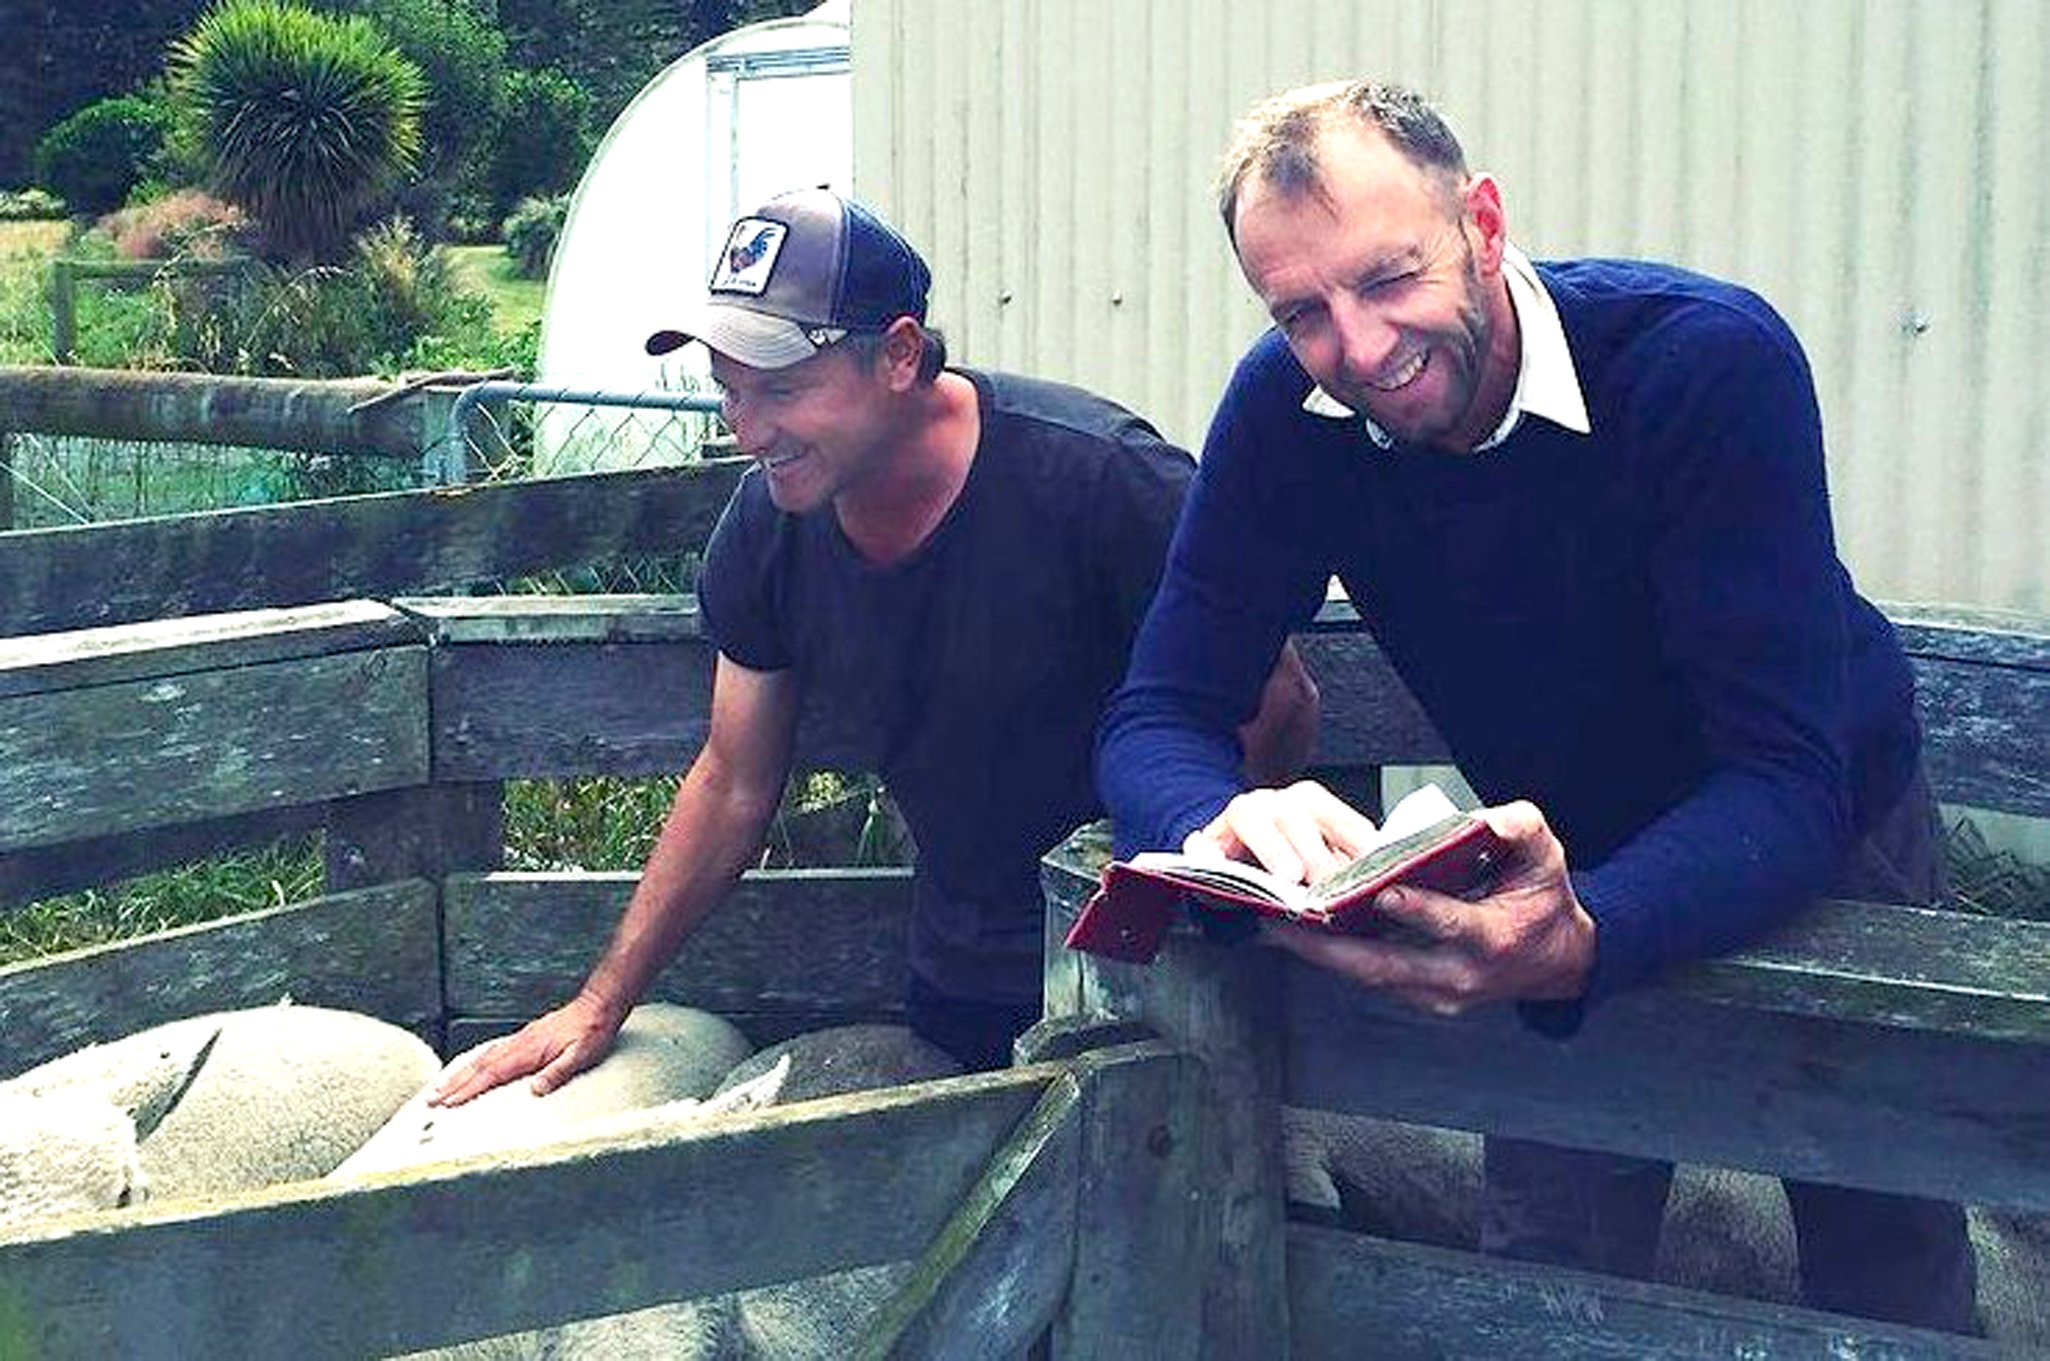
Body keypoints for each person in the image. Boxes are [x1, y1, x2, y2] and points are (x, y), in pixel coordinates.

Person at [1094, 81, 1977, 1331]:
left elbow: (1785, 778)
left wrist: (1586, 938)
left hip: (1835, 825)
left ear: (1486, 225)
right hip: (1552, 832)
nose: (1359, 348)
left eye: (1390, 275)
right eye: (1301, 310)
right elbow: (1155, 713)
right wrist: (1217, 820)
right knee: (1544, 1256)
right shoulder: (1291, 413)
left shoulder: (1699, 361)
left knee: (1882, 1218)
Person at [433, 188, 1316, 1098]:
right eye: (730, 389)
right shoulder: (769, 527)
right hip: (958, 977)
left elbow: (1280, 702)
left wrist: (1185, 915)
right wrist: (600, 1000)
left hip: (1149, 983)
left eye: (781, 387)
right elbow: (735, 778)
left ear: (898, 354)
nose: (749, 428)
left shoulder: (1103, 481)